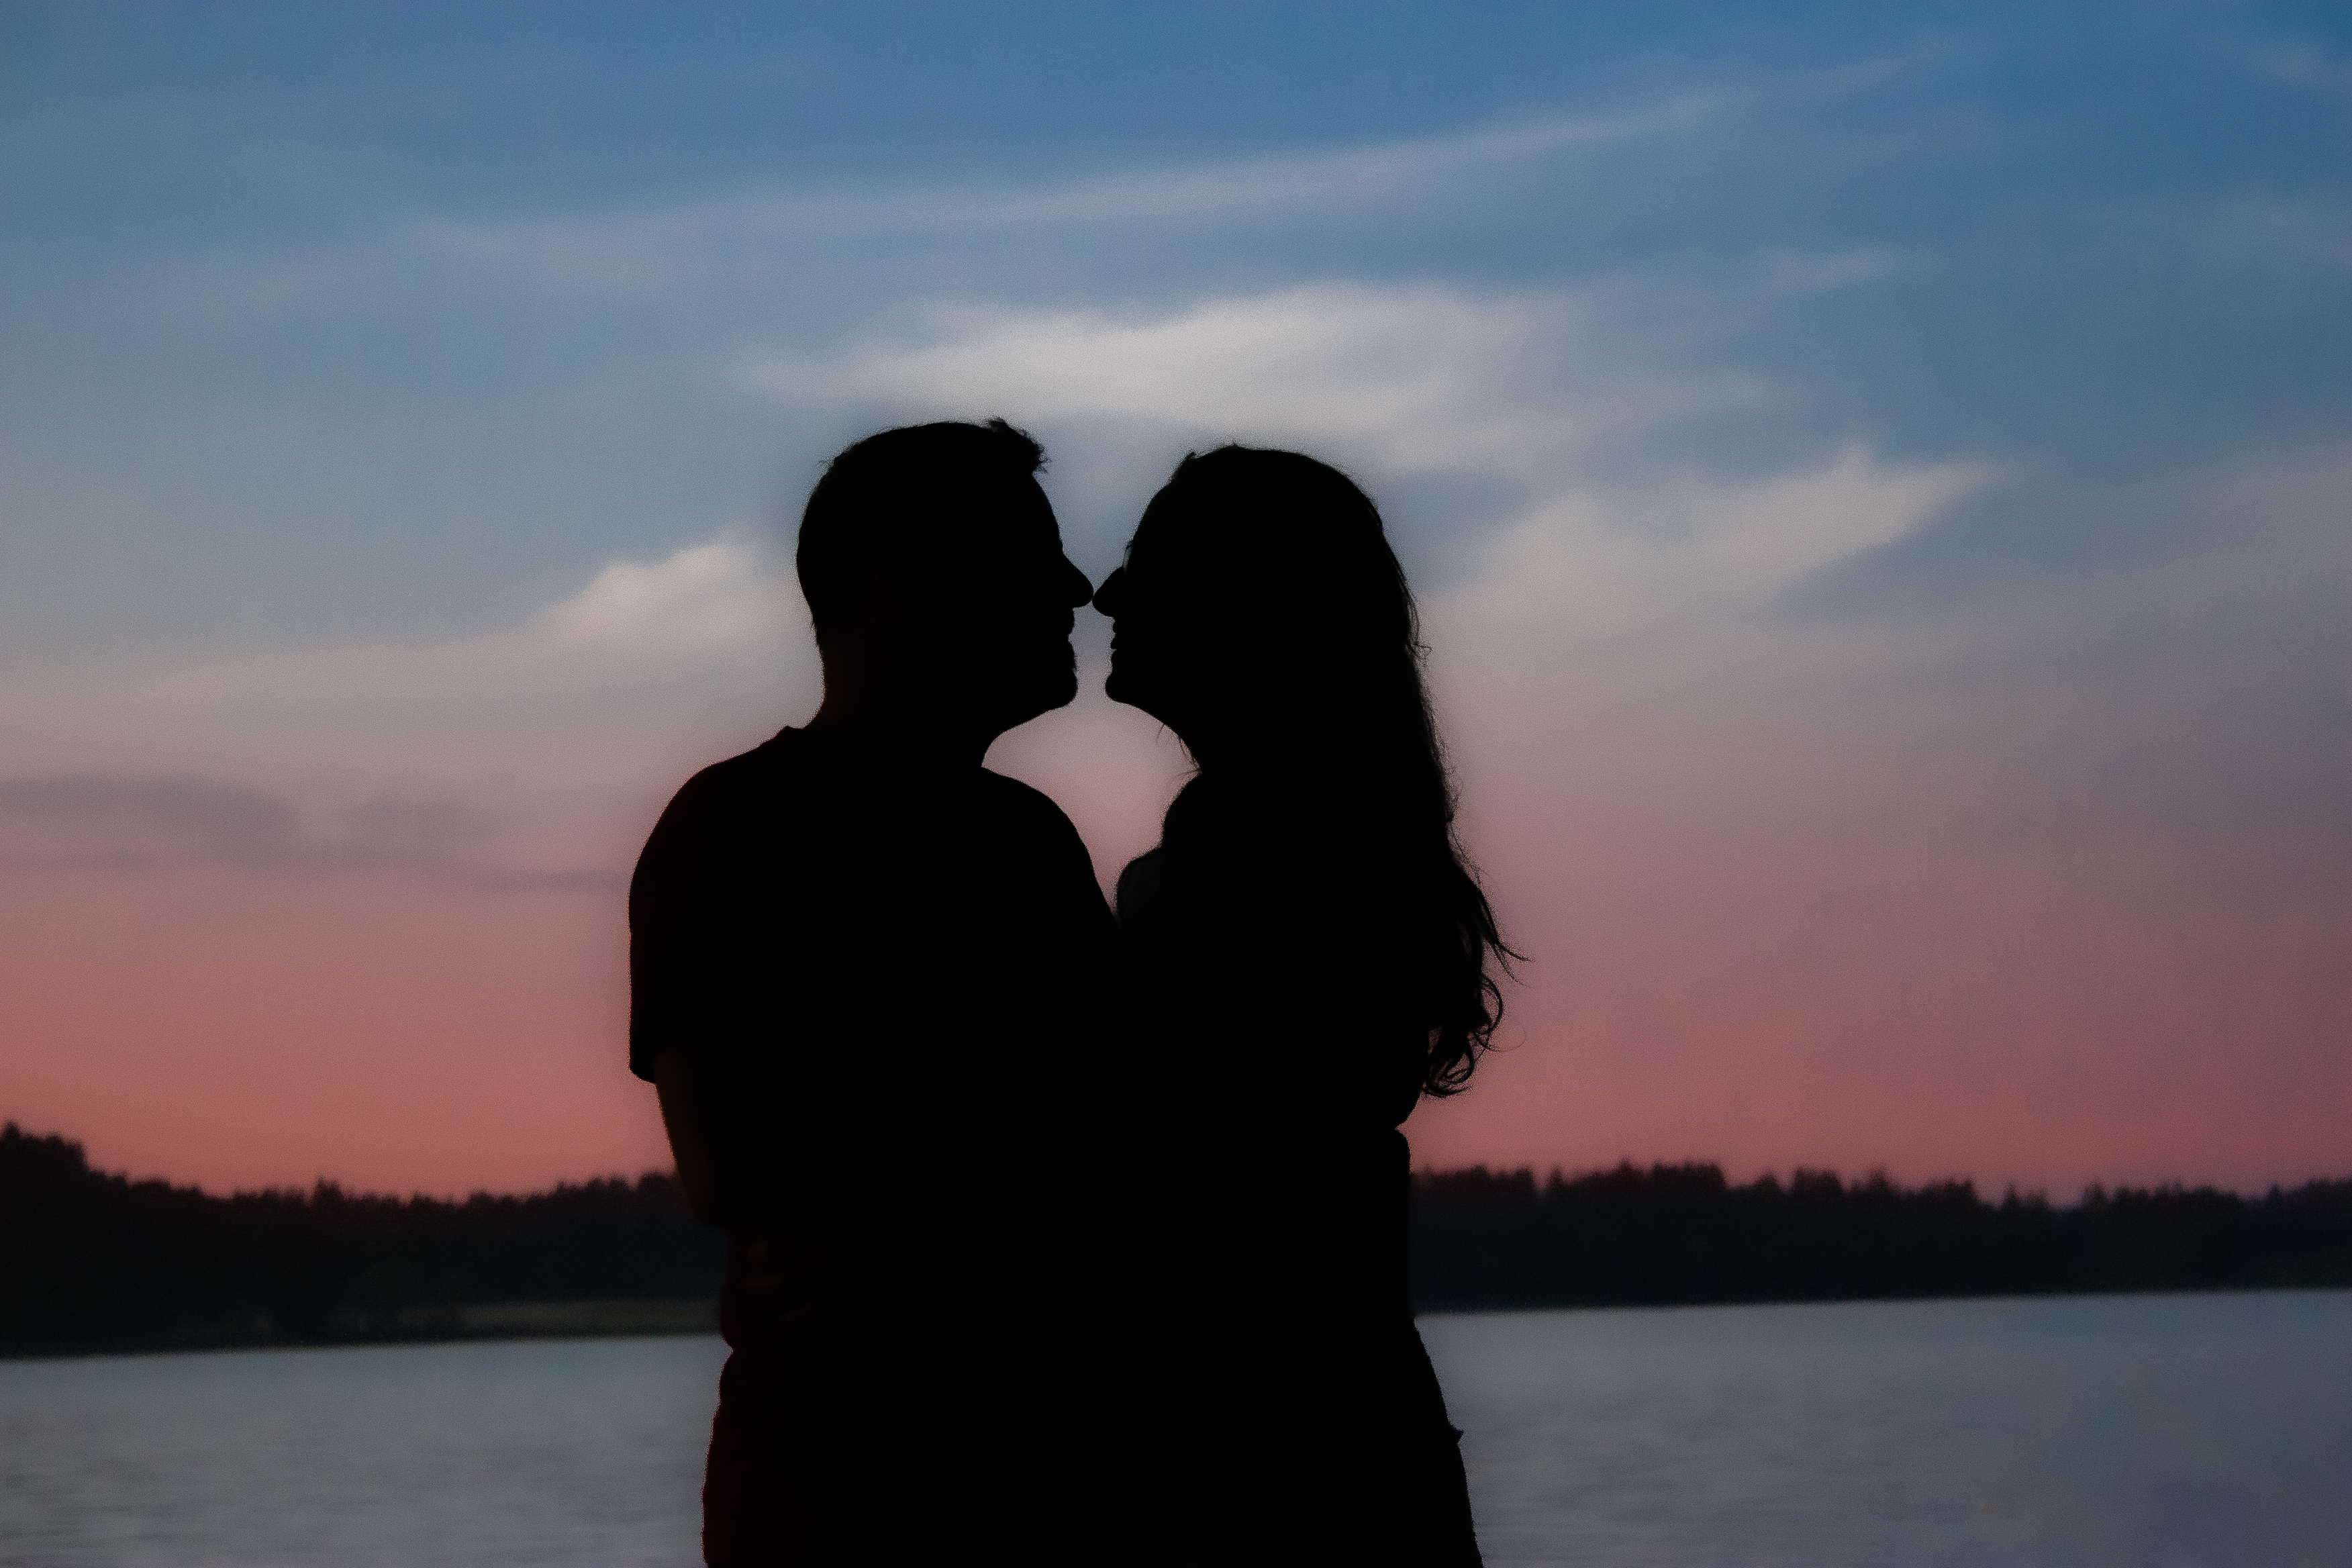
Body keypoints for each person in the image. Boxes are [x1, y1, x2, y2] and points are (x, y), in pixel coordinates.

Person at [629, 420, 1116, 1567]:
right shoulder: (743, 827)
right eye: (1028, 556)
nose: (1076, 589)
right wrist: (1071, 1222)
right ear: (907, 584)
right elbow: (734, 1166)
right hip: (848, 1494)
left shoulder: (1035, 837)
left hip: (1060, 1481)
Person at [1091, 446, 1511, 1567]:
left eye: (1149, 566)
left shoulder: (1319, 857)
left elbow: (1217, 1165)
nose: (1109, 595)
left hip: (1285, 1475)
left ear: (1251, 604)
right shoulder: (1244, 847)